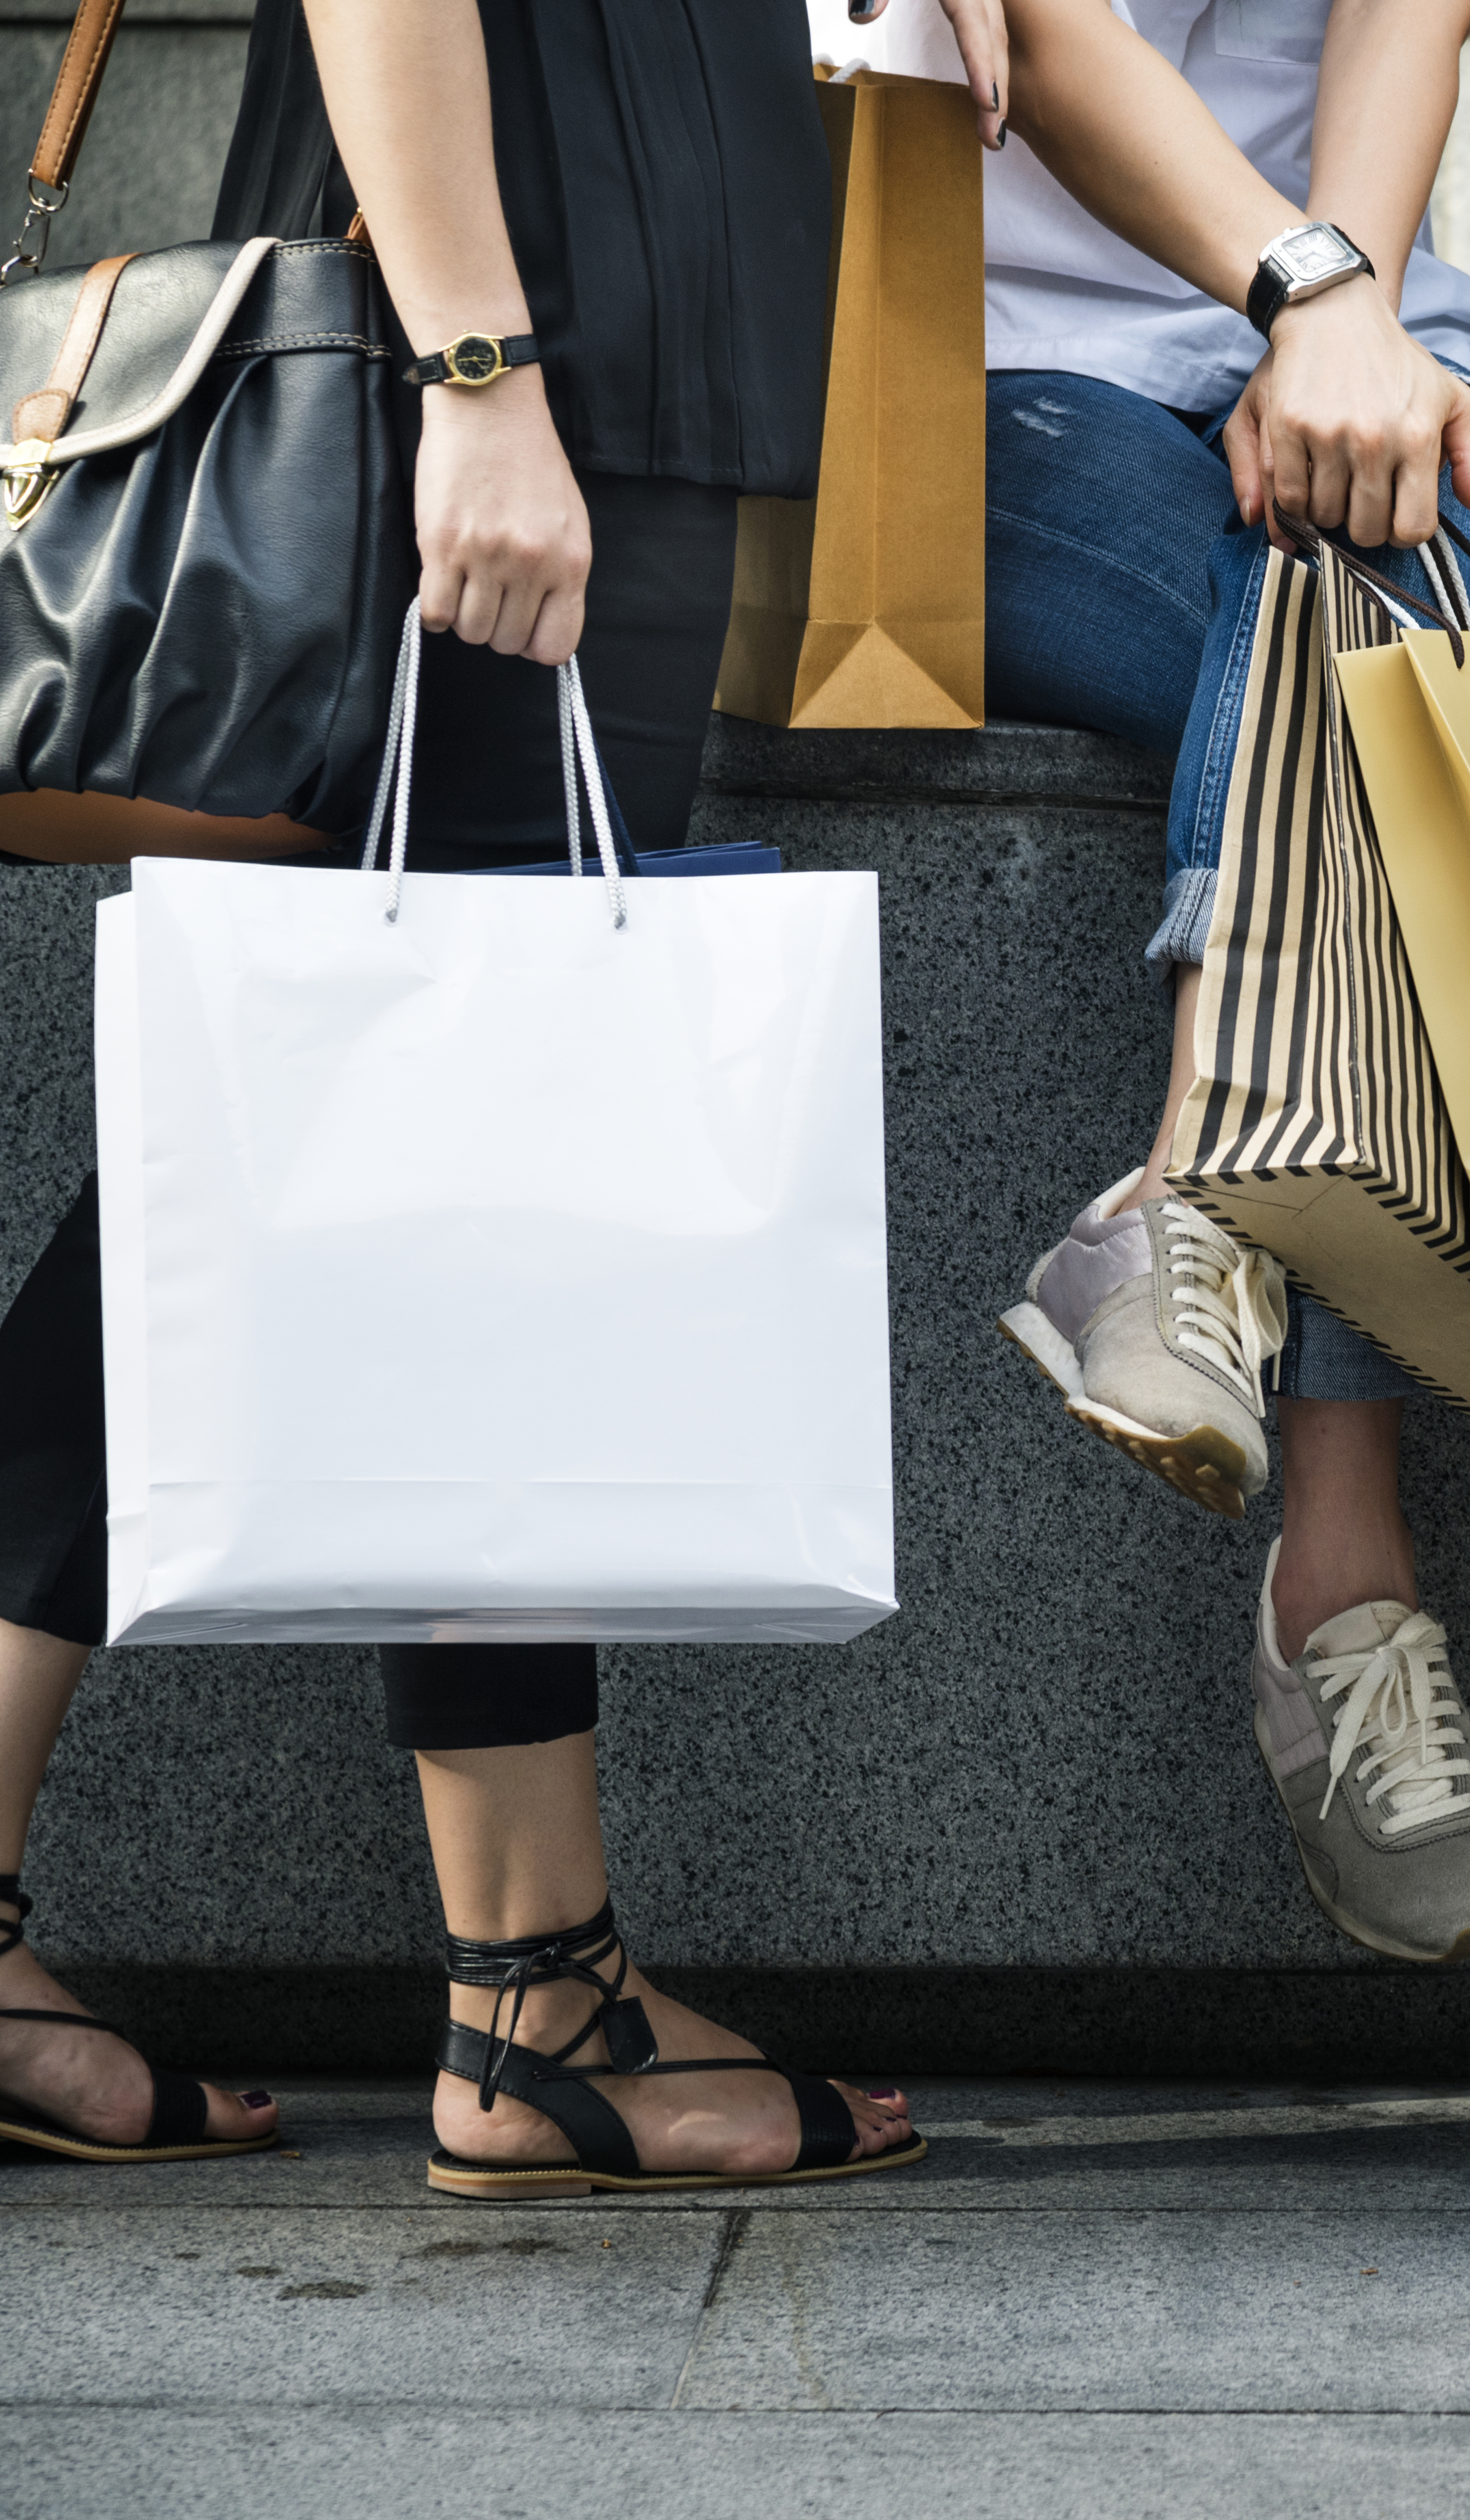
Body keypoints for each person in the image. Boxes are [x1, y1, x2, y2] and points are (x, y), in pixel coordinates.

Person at [0, 0, 993, 2189]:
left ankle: (537, 1990)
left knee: (318, 1156)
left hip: (566, 321)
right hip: (508, 325)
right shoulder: (495, 356)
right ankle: (534, 1998)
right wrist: (478, 370)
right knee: (423, 1149)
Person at [982, 0, 1470, 1965]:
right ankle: (1343, 1582)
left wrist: (1348, 322)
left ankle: (1192, 1209)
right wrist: (1305, 291)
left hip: (1333, 328)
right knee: (1389, 682)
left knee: (1373, 547)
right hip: (957, 364)